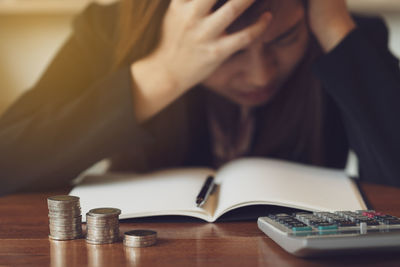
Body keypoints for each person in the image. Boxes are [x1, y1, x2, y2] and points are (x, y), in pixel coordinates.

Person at [0, 0, 399, 196]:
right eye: (228, 52)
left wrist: (334, 29)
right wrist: (163, 74)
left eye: (286, 38)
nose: (260, 75)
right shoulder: (110, 33)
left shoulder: (343, 38)